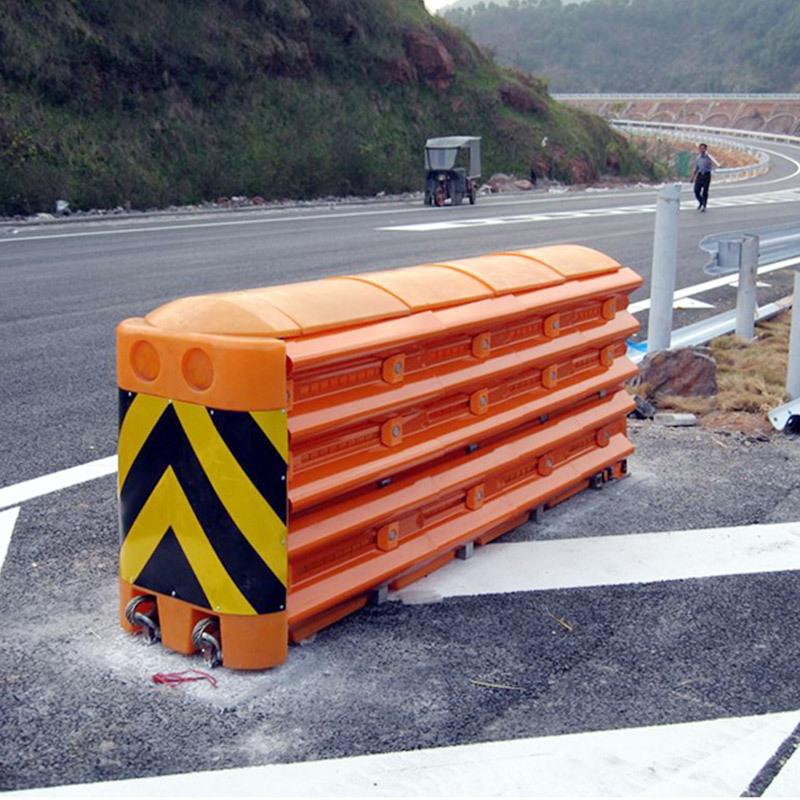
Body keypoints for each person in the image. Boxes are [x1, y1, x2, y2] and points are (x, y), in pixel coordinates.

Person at [689, 143, 714, 211]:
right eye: (701, 148)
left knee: (705, 191)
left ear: (706, 149)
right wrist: (692, 177)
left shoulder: (708, 157)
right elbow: (696, 168)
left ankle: (704, 205)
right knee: (696, 190)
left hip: (706, 175)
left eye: (703, 148)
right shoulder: (698, 158)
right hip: (700, 175)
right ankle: (701, 202)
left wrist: (710, 165)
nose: (702, 150)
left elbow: (712, 166)